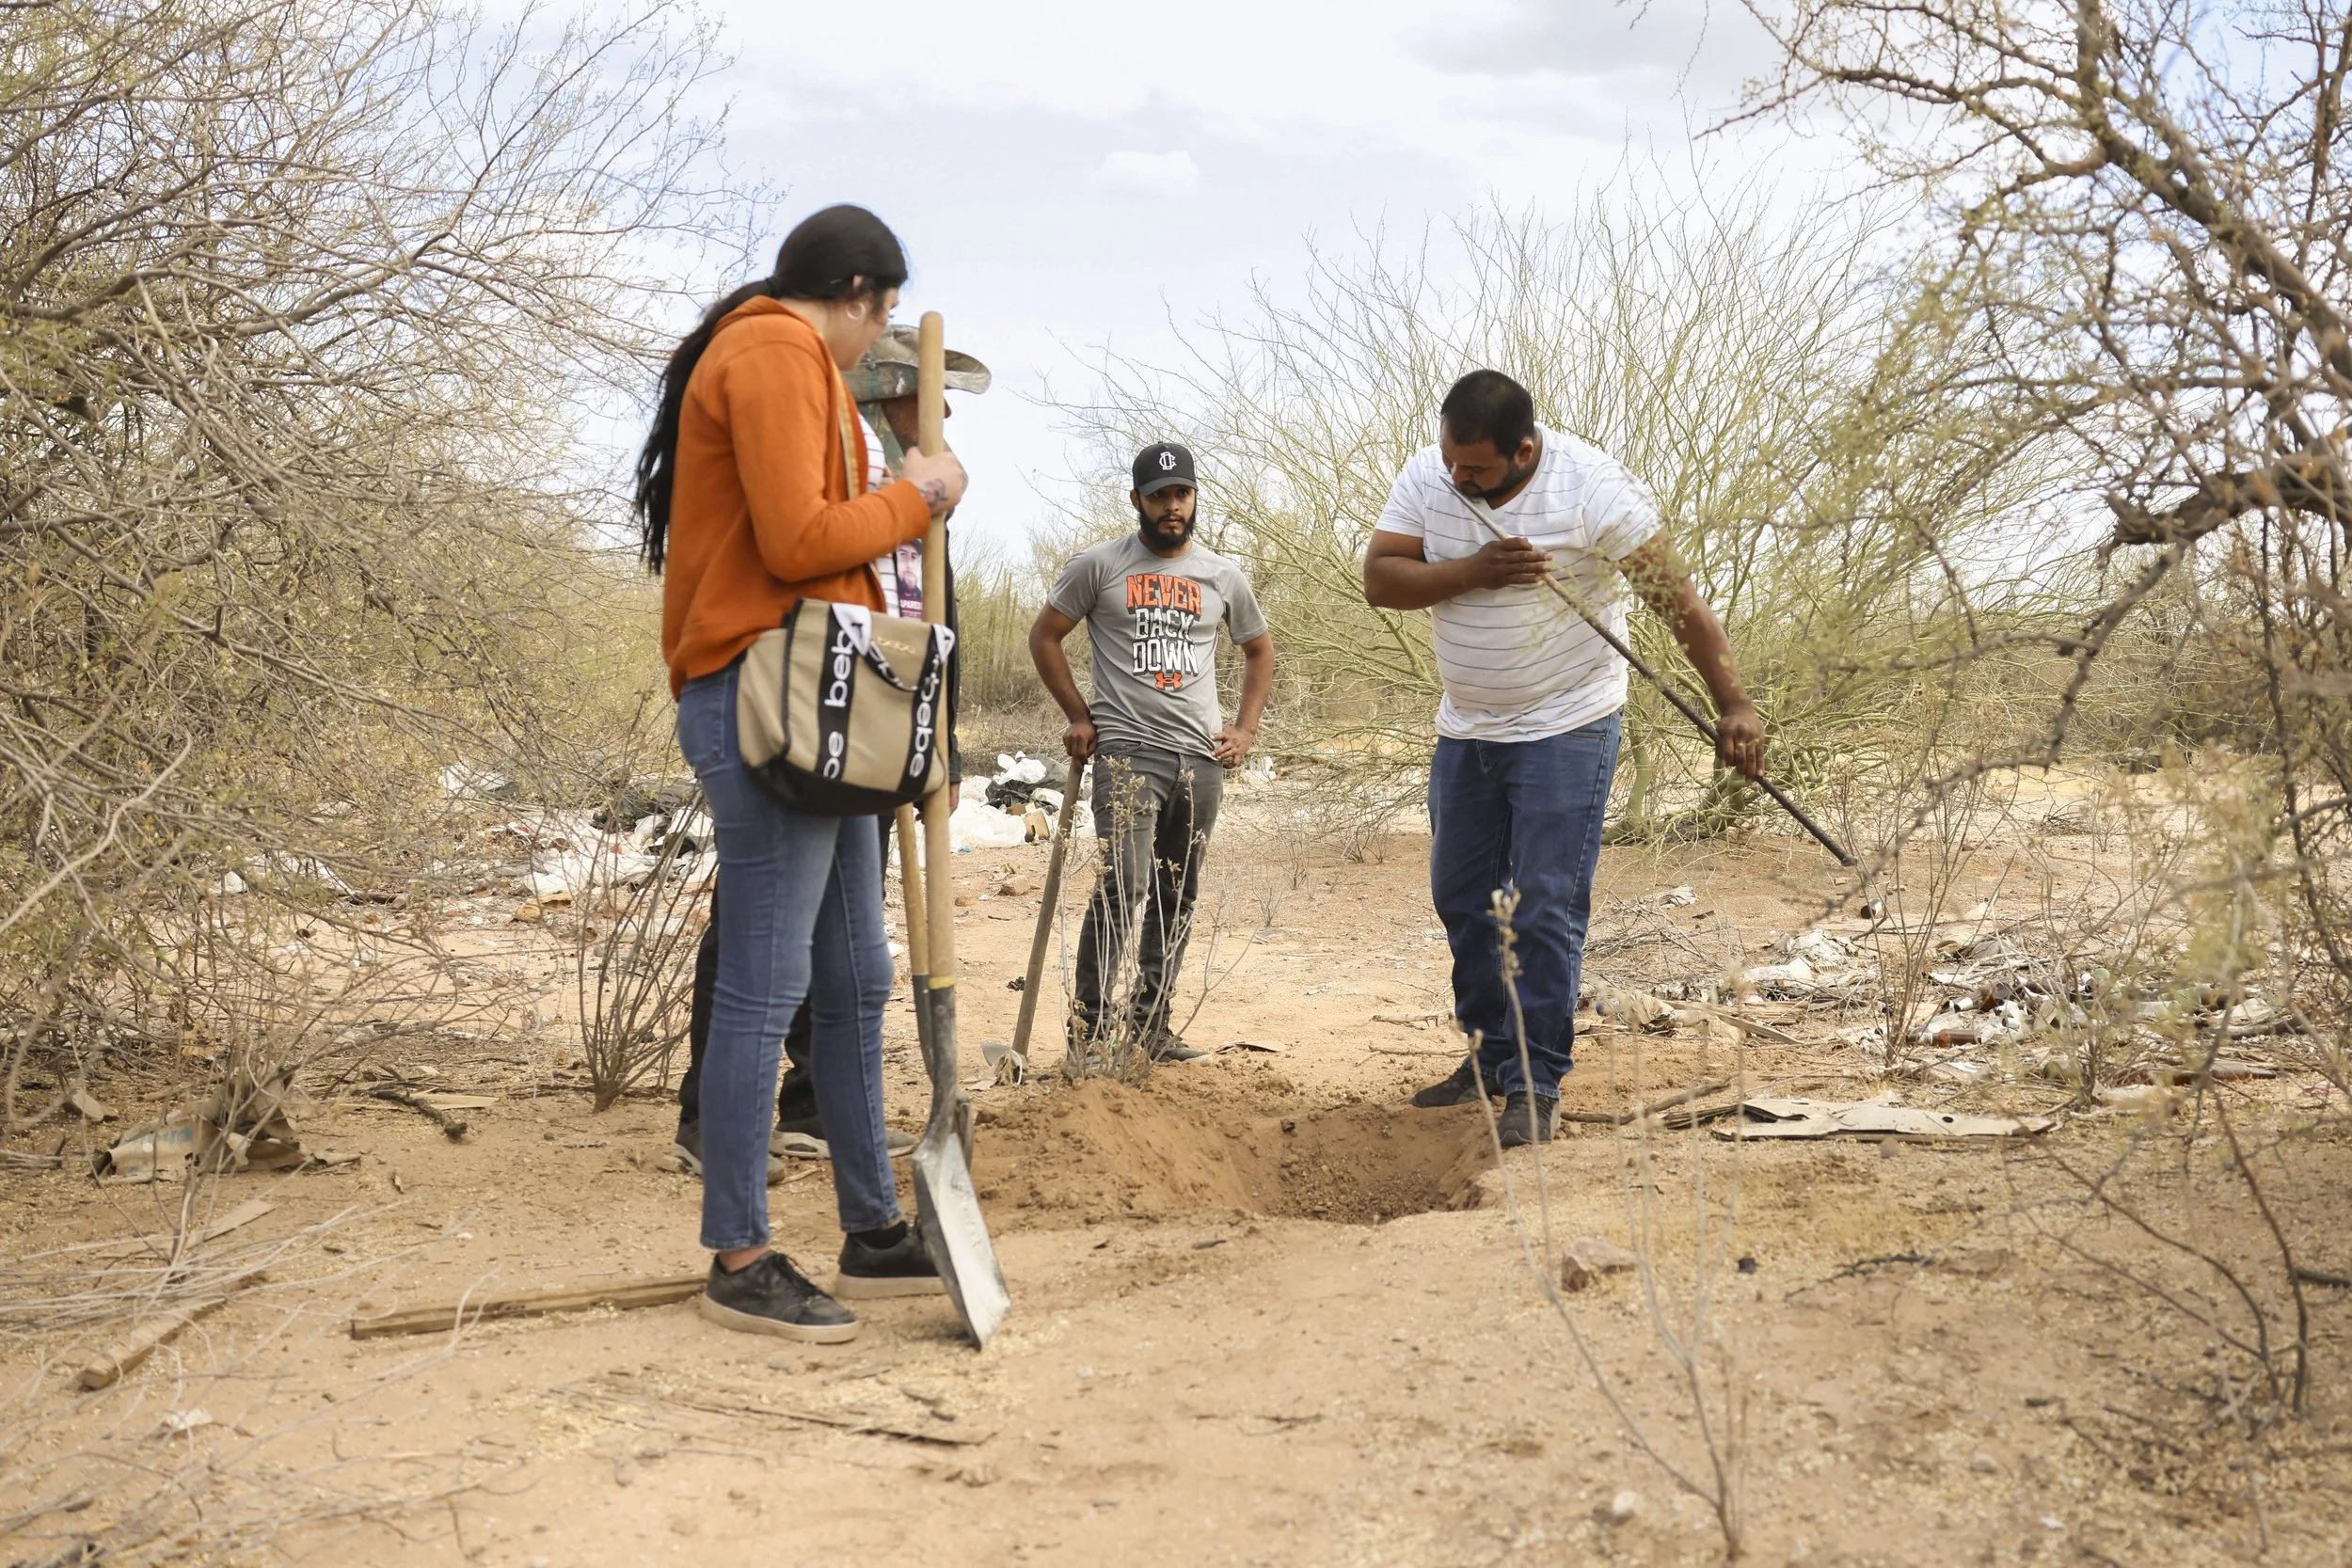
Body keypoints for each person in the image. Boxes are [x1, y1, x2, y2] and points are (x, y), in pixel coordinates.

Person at [636, 203, 968, 1341]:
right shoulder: (776, 347)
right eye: (875, 318)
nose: (871, 341)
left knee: (854, 972)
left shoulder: (783, 355)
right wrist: (918, 495)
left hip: (819, 706)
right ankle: (739, 1250)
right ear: (865, 293)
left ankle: (872, 1229)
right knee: (765, 982)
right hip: (762, 698)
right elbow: (796, 540)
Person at [1362, 370, 1765, 1147]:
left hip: (1568, 721)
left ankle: (1535, 1082)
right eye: (1451, 459)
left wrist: (1734, 704)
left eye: (1476, 469)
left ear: (1523, 450)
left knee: (1544, 902)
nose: (1459, 478)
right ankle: (1487, 1056)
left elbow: (1678, 603)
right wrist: (1473, 571)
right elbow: (1382, 579)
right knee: (1462, 895)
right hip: (1468, 724)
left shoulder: (1594, 491)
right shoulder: (1428, 475)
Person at [666, 328, 992, 1178]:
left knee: (849, 933)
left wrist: (938, 746)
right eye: (927, 399)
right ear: (884, 396)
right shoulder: (836, 482)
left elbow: (933, 617)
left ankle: (810, 1104)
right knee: (761, 913)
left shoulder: (926, 500)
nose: (946, 413)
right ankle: (709, 1118)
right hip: (805, 712)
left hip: (885, 720)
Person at [1029, 441, 1274, 1064]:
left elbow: (1258, 650)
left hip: (1200, 760)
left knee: (1176, 892)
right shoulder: (1100, 565)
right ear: (1136, 499)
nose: (1172, 506)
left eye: (1182, 494)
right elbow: (1046, 635)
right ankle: (1088, 1037)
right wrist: (1077, 715)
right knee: (1122, 887)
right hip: (1128, 757)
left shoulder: (1222, 575)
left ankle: (1151, 1026)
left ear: (1194, 498)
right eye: (1160, 495)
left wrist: (1243, 729)